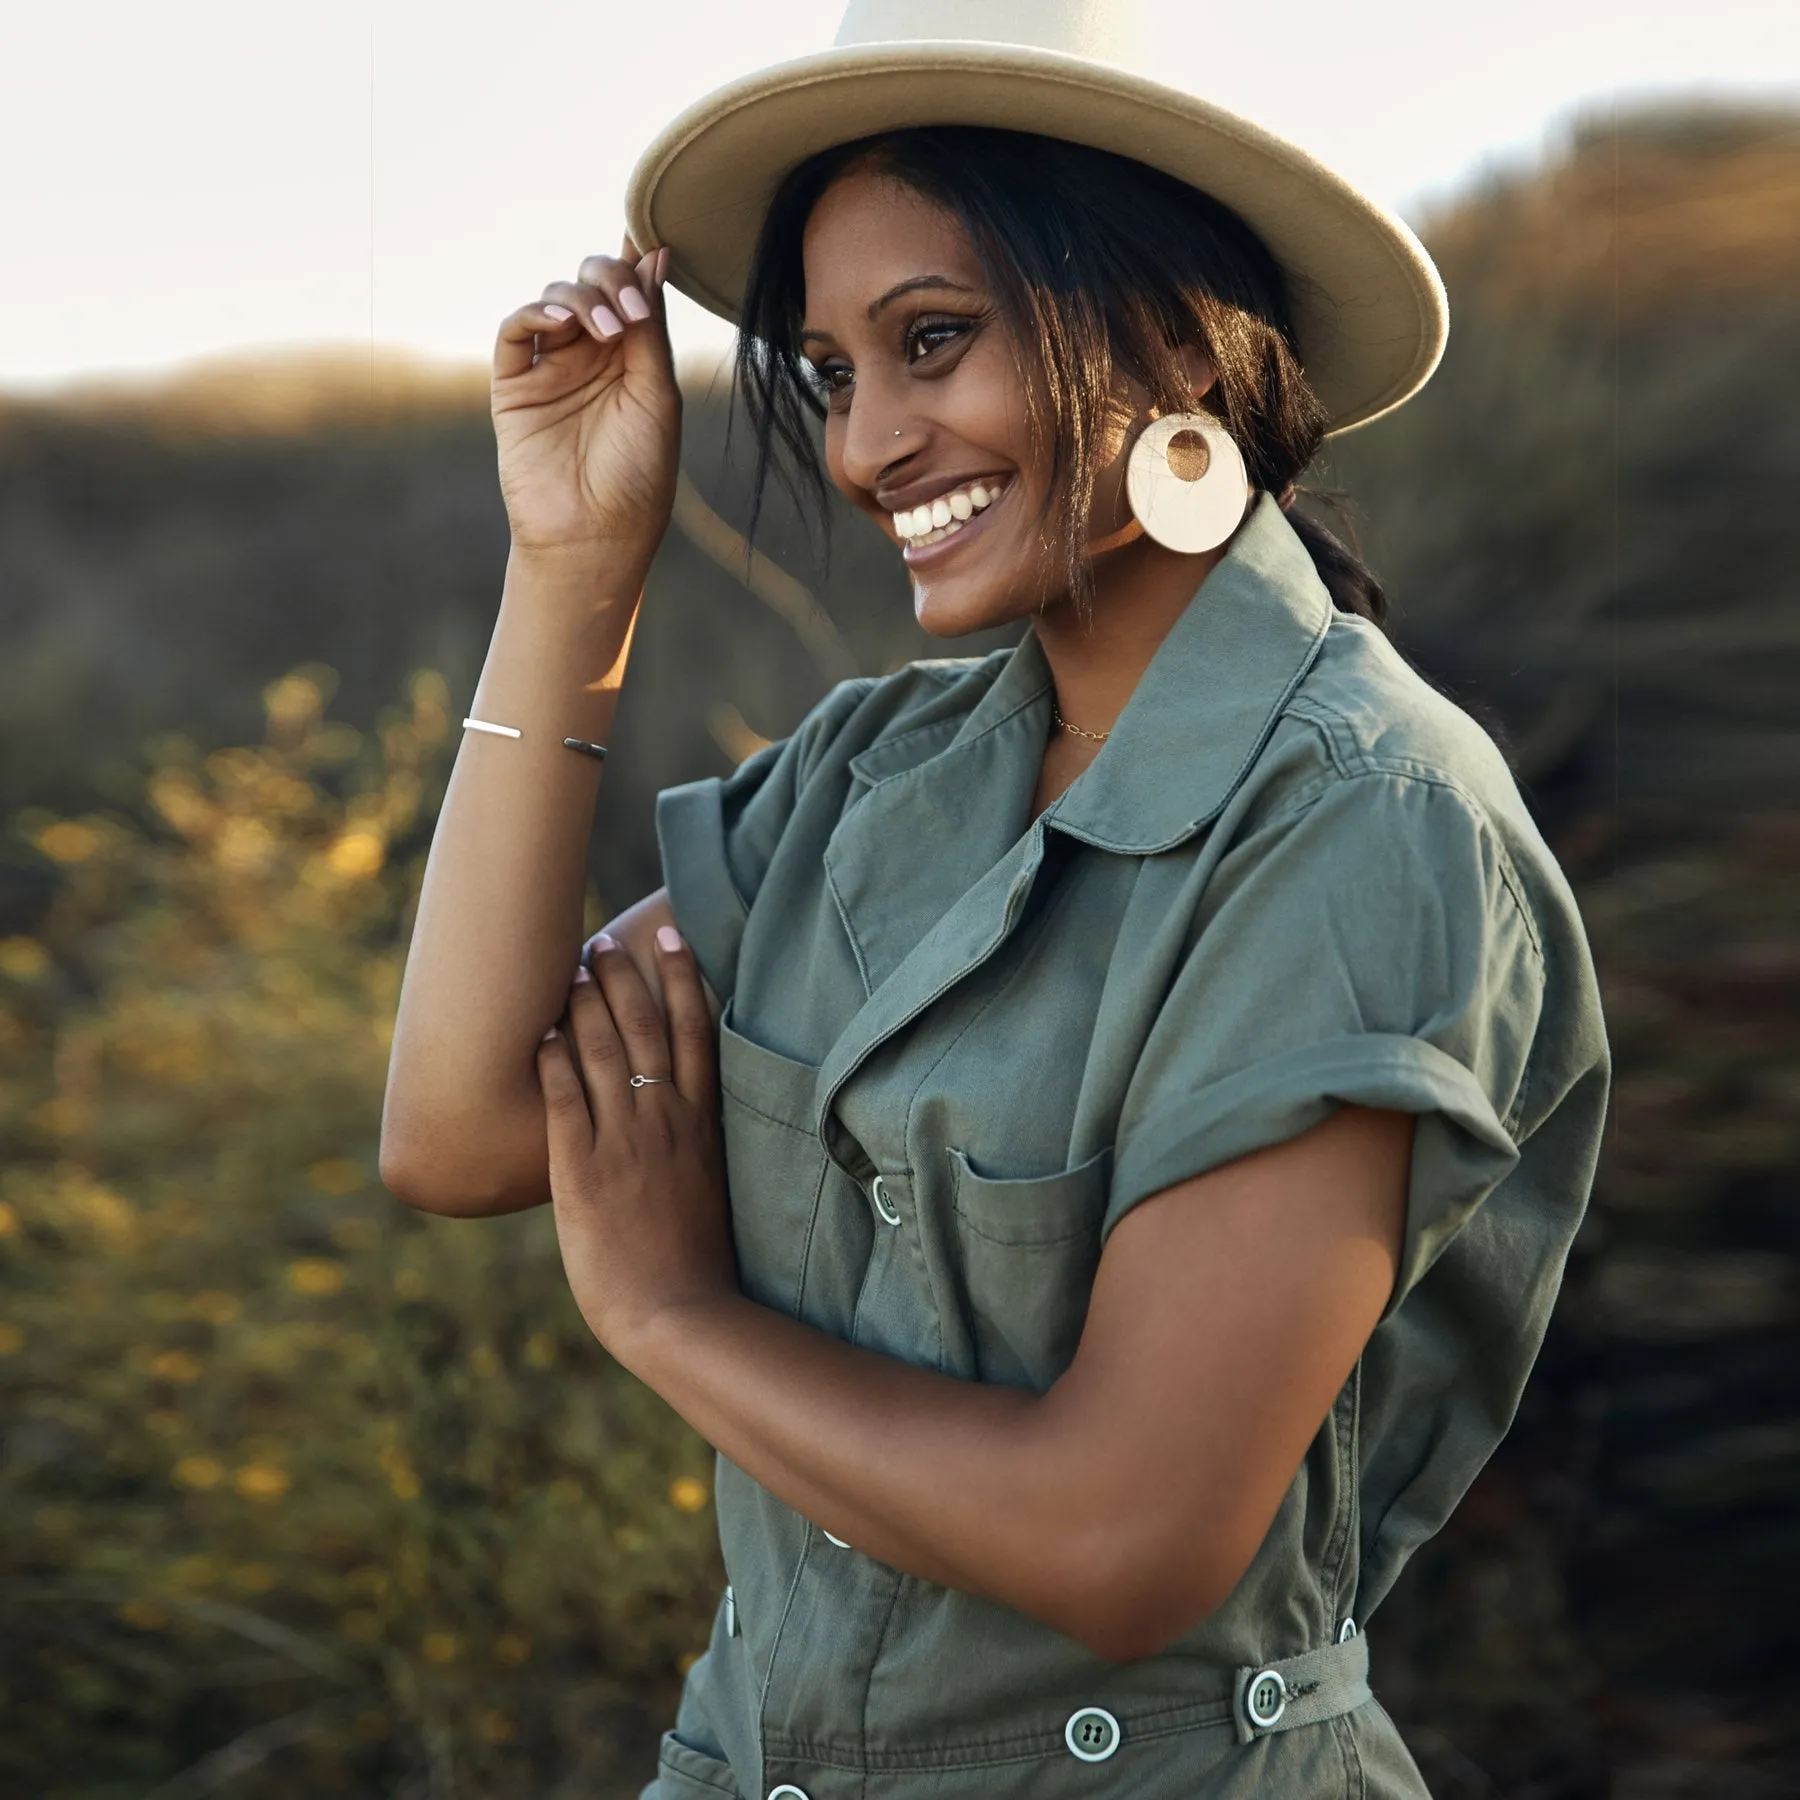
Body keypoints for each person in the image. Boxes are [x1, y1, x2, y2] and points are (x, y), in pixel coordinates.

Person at [380, 3, 1610, 1793]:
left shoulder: (1367, 825)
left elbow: (1129, 1541)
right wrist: (573, 569)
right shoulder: (872, 777)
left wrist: (668, 1315)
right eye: (825, 373)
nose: (869, 443)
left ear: (1178, 339)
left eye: (932, 341)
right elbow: (465, 1128)